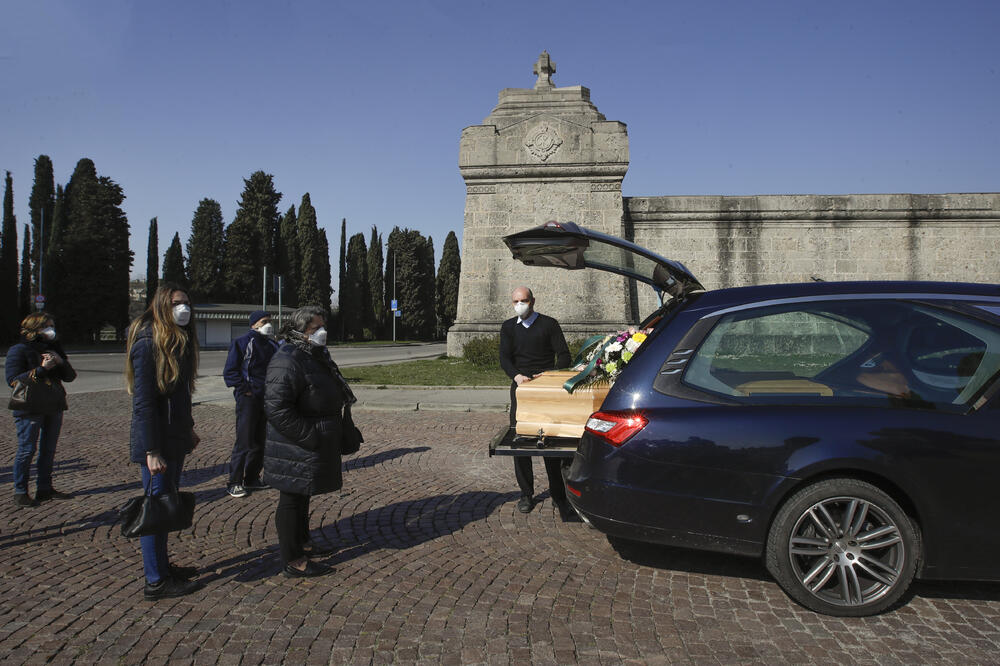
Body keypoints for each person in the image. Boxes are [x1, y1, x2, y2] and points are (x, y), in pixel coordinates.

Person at [263, 305, 355, 578]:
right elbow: (277, 408)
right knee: (291, 498)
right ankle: (294, 560)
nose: (322, 332)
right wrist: (310, 436)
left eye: (323, 326)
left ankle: (303, 542)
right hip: (295, 443)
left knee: (303, 495)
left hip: (309, 441)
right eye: (316, 328)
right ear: (300, 331)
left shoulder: (313, 354)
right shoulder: (287, 359)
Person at [125, 283, 203, 600]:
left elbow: (178, 398)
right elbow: (143, 403)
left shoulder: (177, 341)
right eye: (175, 304)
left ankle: (163, 567)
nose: (182, 309)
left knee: (166, 506)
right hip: (157, 443)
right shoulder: (147, 342)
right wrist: (151, 450)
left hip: (174, 437)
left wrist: (188, 429)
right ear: (160, 307)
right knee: (155, 510)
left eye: (185, 302)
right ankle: (155, 580)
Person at [499, 286, 572, 517]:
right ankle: (526, 494)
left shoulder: (549, 324)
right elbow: (504, 358)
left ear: (533, 301)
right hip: (521, 388)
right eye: (515, 301)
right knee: (520, 443)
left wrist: (549, 375)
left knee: (551, 442)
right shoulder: (508, 327)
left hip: (546, 388)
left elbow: (564, 355)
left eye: (523, 300)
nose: (519, 304)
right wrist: (517, 376)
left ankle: (559, 496)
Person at [5, 312, 77, 507]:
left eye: (52, 326)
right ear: (34, 329)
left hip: (53, 404)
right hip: (30, 407)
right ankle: (20, 491)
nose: (51, 330)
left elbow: (70, 376)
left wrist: (61, 362)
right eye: (47, 326)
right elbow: (13, 380)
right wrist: (41, 369)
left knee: (49, 449)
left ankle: (44, 487)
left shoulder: (55, 349)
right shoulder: (19, 350)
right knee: (27, 449)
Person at [223, 310, 280, 498]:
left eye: (270, 321)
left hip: (266, 398)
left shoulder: (272, 344)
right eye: (264, 321)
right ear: (254, 324)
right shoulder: (243, 342)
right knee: (244, 440)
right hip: (248, 399)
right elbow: (230, 372)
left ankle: (252, 478)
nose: (268, 325)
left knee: (260, 441)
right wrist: (245, 389)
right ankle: (234, 481)